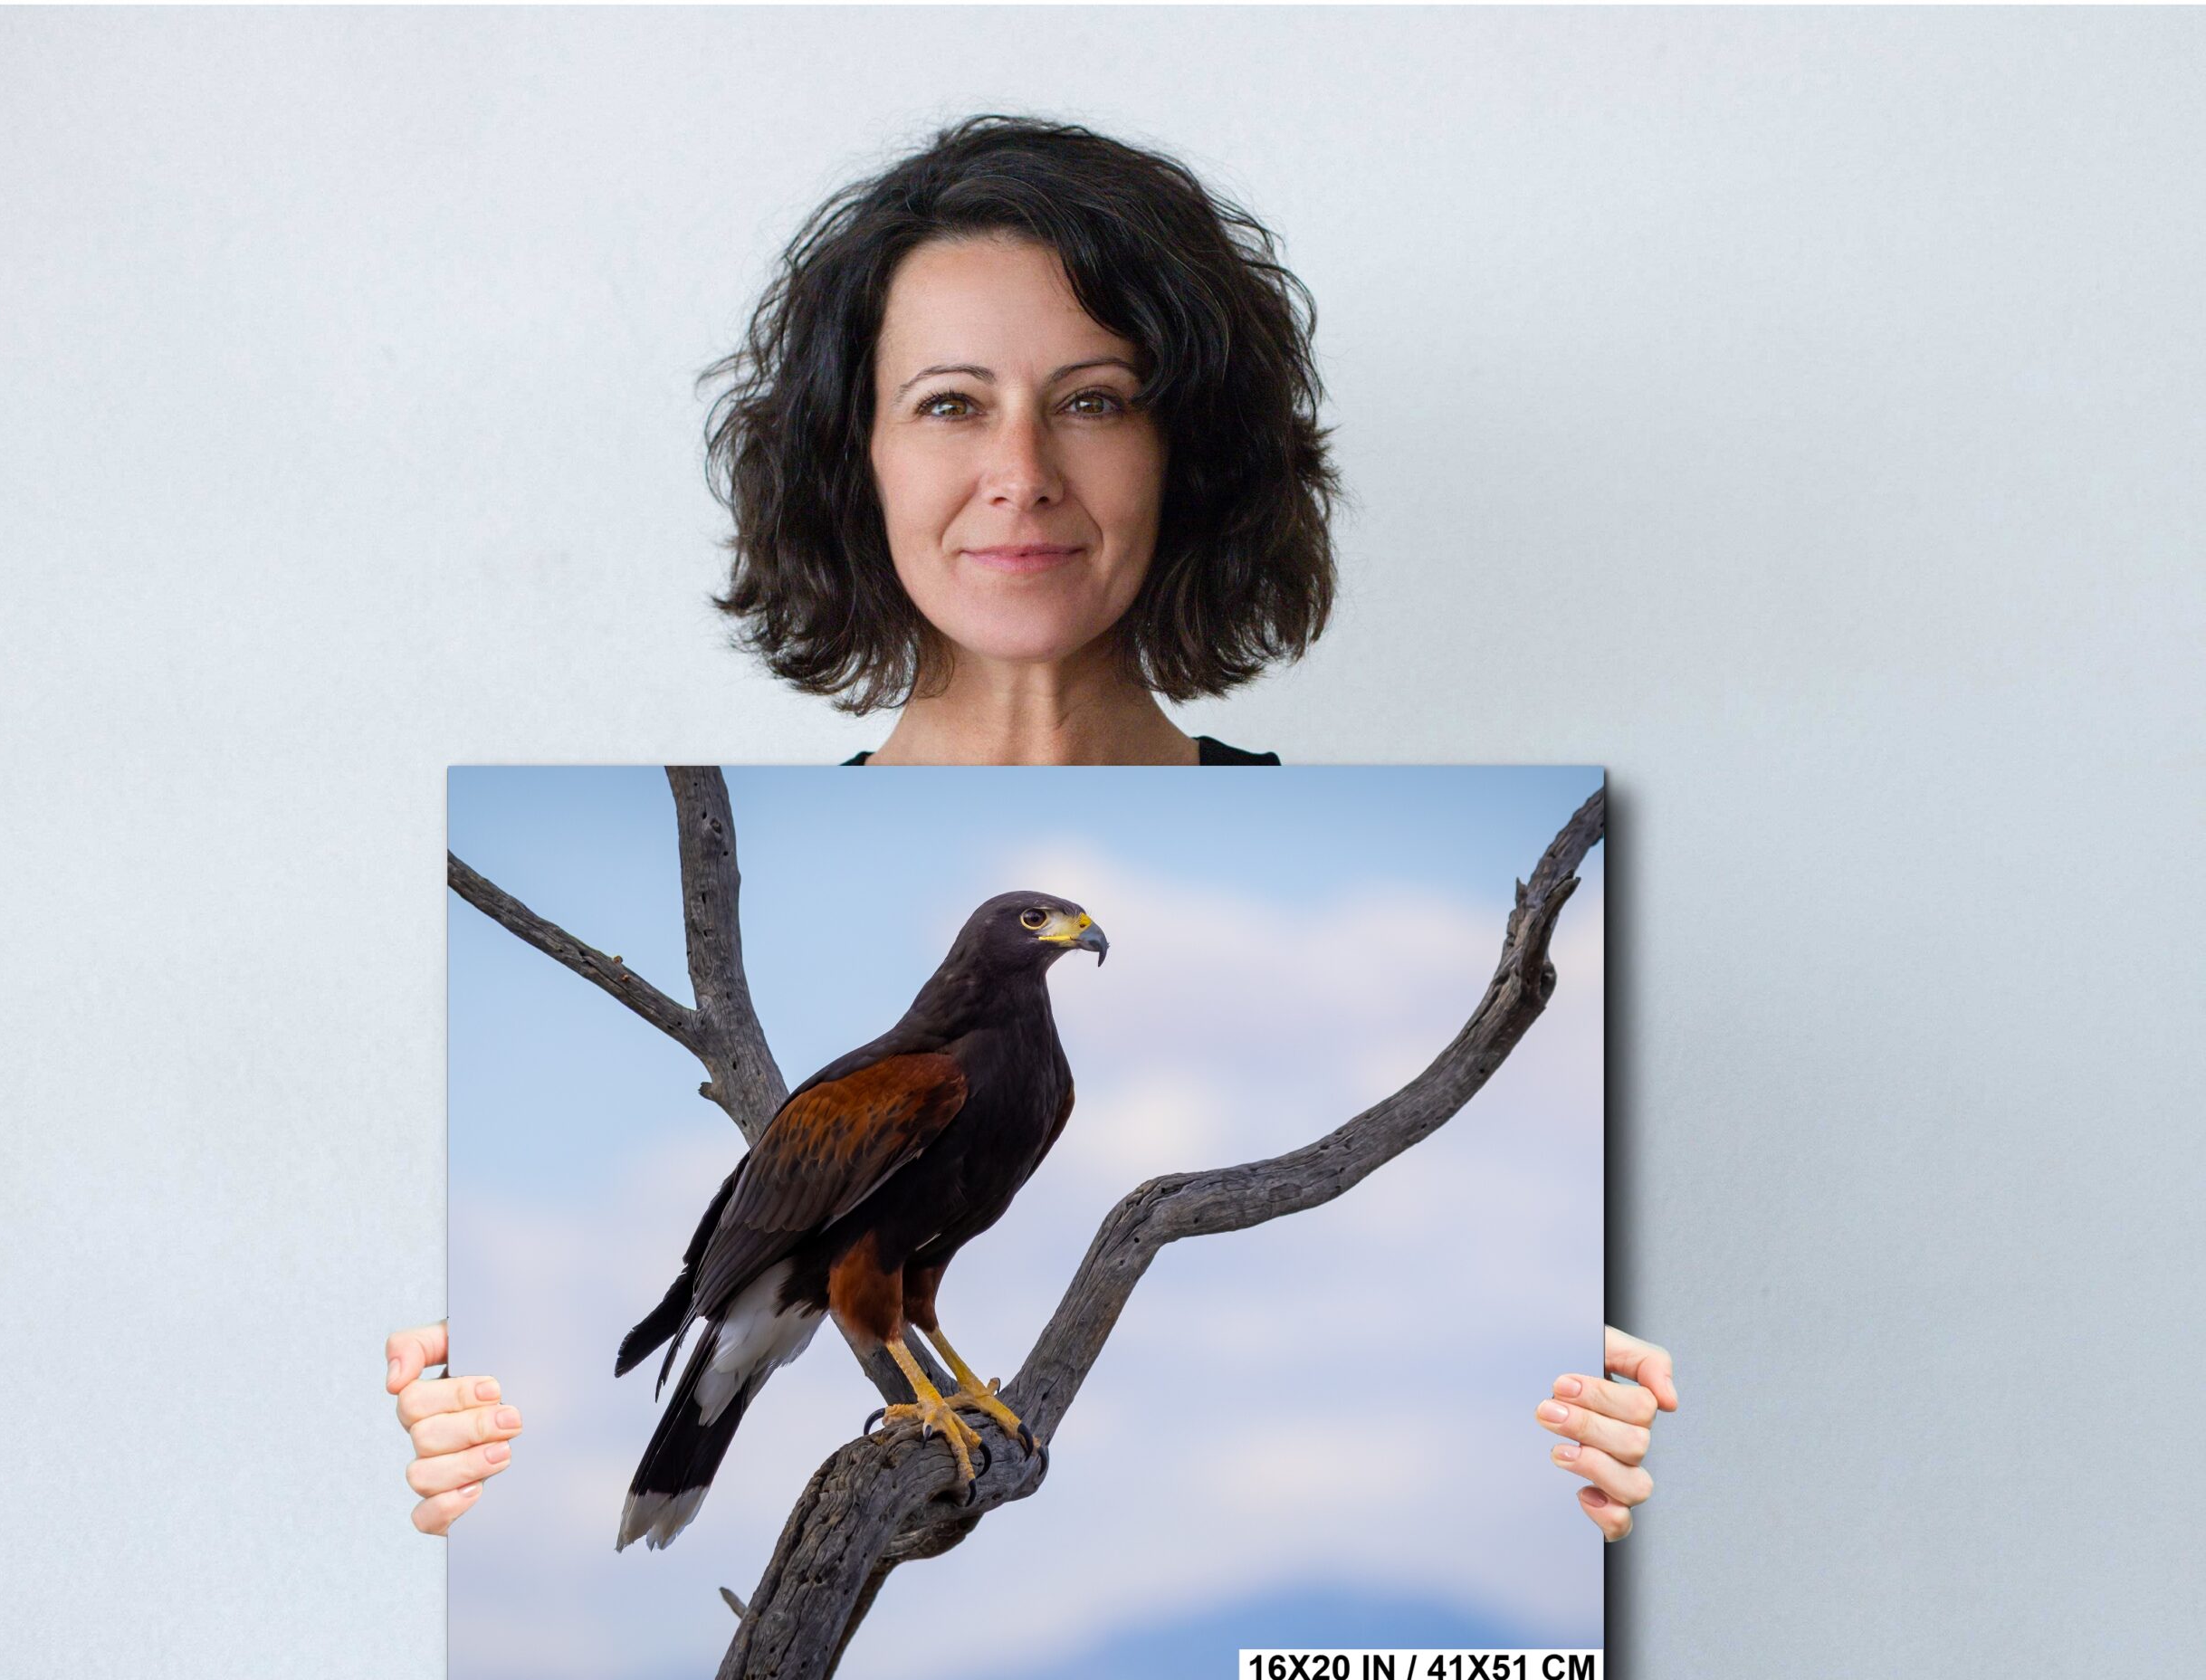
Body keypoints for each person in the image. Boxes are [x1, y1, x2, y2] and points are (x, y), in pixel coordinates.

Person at [389, 115, 1675, 1546]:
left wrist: (1610, 1459)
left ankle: (949, 1405)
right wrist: (441, 1462)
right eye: (948, 403)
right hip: (778, 1287)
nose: (1023, 473)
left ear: (1189, 454)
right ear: (854, 457)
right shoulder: (909, 1076)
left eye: (1095, 399)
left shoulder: (1047, 1079)